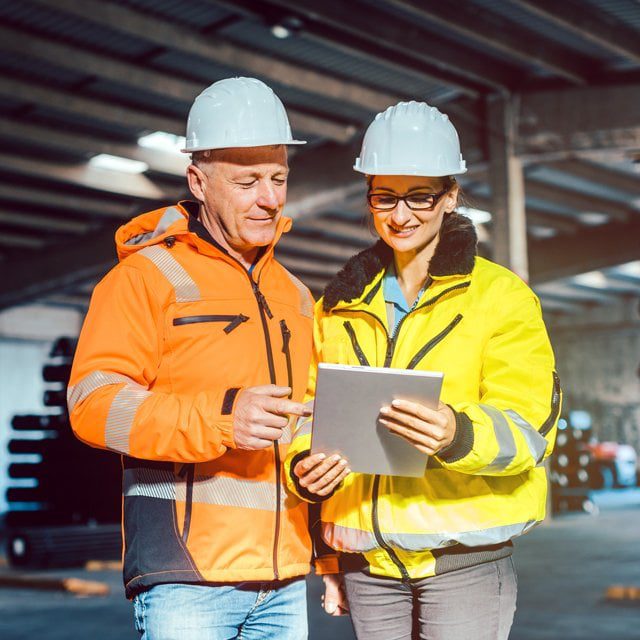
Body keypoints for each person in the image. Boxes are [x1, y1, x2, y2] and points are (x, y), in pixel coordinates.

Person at [285, 101, 561, 640]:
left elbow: (531, 428)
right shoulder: (337, 307)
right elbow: (307, 414)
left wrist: (459, 432)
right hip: (367, 563)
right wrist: (304, 468)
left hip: (464, 561)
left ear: (450, 197)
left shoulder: (500, 298)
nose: (401, 215)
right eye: (384, 197)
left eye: (420, 196)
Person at [67, 77, 320, 640]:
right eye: (248, 181)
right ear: (198, 181)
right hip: (186, 577)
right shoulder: (143, 277)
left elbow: (304, 429)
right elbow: (92, 403)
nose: (270, 199)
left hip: (283, 579)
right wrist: (221, 418)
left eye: (278, 179)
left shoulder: (296, 297)